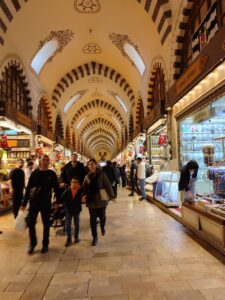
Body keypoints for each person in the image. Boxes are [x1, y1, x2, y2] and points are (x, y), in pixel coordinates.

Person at [21, 155, 60, 255]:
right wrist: (24, 203)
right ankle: (32, 243)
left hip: (46, 202)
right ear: (40, 161)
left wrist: (57, 202)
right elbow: (29, 188)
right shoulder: (35, 173)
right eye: (44, 160)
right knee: (30, 223)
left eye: (47, 160)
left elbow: (56, 188)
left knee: (46, 224)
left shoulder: (52, 174)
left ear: (49, 162)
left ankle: (45, 244)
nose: (45, 162)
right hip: (34, 202)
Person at [82, 158, 115, 246]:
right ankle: (94, 237)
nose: (91, 165)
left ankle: (102, 226)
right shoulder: (86, 177)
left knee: (102, 217)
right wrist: (83, 196)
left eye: (92, 164)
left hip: (101, 200)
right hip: (91, 201)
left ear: (96, 165)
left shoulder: (102, 174)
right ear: (88, 166)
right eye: (89, 164)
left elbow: (107, 185)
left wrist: (111, 195)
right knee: (92, 220)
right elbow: (84, 189)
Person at [60, 177, 82, 247]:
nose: (73, 184)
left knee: (76, 224)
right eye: (72, 182)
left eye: (75, 182)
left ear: (78, 183)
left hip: (76, 210)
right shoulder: (67, 190)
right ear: (70, 183)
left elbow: (83, 199)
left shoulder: (80, 190)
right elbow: (61, 198)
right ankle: (69, 239)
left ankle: (76, 237)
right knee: (67, 225)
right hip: (68, 210)